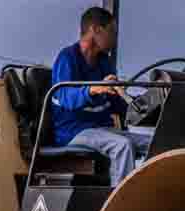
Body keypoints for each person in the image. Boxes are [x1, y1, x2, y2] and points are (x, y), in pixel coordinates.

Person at [51, 7, 150, 186]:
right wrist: (93, 89)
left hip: (102, 129)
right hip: (73, 131)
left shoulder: (105, 62)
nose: (115, 37)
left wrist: (141, 106)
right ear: (96, 30)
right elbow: (64, 96)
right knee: (122, 145)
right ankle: (119, 208)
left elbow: (117, 105)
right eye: (112, 31)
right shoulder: (67, 58)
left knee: (154, 142)